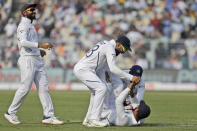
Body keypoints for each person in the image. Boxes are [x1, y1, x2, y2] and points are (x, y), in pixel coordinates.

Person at [4, 3, 63, 125]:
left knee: (44, 88)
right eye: (31, 10)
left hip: (36, 59)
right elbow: (23, 42)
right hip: (27, 60)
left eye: (35, 10)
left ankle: (48, 116)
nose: (34, 11)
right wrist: (40, 45)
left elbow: (30, 43)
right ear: (24, 12)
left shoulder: (30, 25)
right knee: (25, 88)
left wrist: (38, 51)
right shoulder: (22, 25)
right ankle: (10, 113)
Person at [73, 35, 141, 127]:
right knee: (101, 89)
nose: (122, 52)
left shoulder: (106, 44)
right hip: (84, 70)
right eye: (124, 49)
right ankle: (94, 119)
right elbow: (113, 68)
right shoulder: (110, 48)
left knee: (96, 92)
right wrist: (131, 77)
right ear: (118, 44)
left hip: (86, 69)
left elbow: (103, 66)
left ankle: (88, 119)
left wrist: (106, 77)